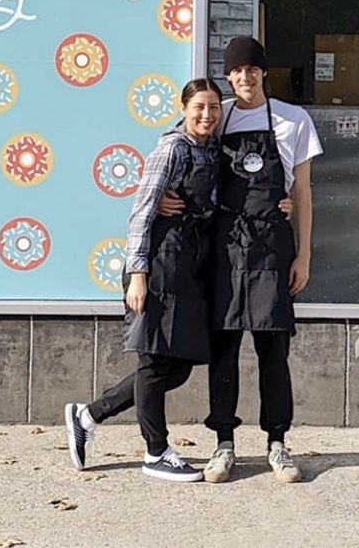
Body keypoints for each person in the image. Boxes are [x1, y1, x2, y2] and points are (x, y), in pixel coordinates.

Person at [165, 35, 322, 485]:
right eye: (236, 70)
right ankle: (223, 445)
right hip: (226, 245)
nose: (244, 77)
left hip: (273, 247)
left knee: (274, 351)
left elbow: (303, 194)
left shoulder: (294, 120)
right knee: (224, 351)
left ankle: (278, 443)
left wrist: (304, 255)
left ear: (263, 72)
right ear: (228, 75)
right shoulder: (218, 116)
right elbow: (176, 150)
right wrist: (160, 201)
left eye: (252, 69)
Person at [64, 78, 224, 482]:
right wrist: (137, 274)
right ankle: (156, 452)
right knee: (153, 362)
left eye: (213, 108)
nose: (207, 115)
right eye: (199, 107)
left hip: (190, 267)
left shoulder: (213, 150)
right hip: (159, 264)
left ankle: (89, 414)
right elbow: (141, 212)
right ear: (184, 108)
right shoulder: (170, 149)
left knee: (181, 364)